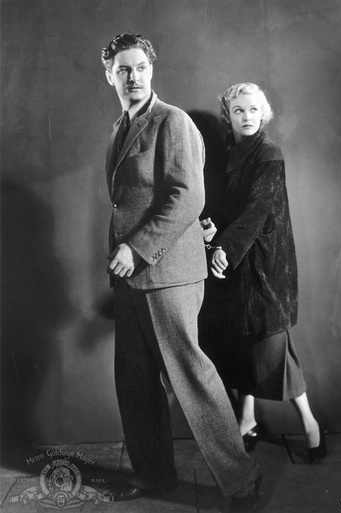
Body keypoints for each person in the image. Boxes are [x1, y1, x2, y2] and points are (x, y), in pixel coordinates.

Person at [101, 34, 262, 512]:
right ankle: (155, 477)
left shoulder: (173, 122)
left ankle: (242, 482)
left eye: (140, 68)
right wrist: (125, 260)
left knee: (191, 378)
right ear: (109, 75)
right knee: (135, 382)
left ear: (151, 70)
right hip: (130, 277)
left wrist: (137, 249)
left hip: (168, 273)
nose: (133, 77)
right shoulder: (120, 126)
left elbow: (188, 196)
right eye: (123, 69)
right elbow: (126, 203)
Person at [200, 82, 327, 463]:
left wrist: (224, 248)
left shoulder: (269, 153)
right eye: (239, 110)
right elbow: (220, 202)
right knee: (242, 343)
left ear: (264, 113)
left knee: (273, 348)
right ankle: (247, 420)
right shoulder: (226, 152)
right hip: (235, 262)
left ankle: (310, 426)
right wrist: (210, 228)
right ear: (228, 115)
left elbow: (257, 210)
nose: (247, 117)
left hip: (265, 263)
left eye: (254, 110)